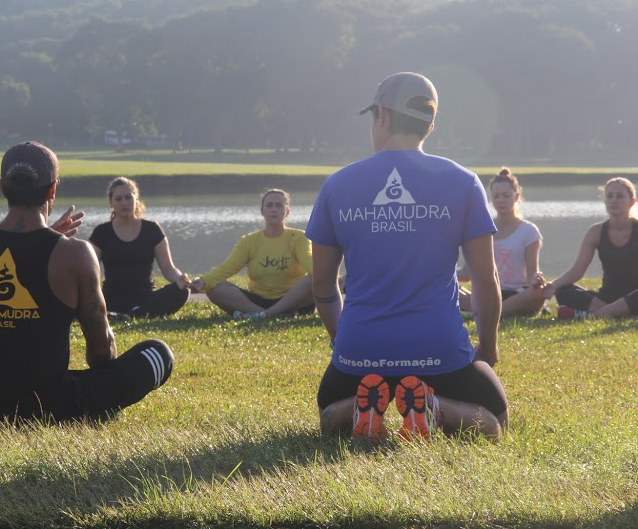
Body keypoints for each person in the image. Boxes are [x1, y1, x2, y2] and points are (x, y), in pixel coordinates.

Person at [306, 72, 508, 443]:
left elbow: (322, 283)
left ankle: (355, 409)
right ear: (429, 126)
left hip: (360, 354)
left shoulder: (337, 184)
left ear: (381, 115)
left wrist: (342, 339)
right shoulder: (463, 181)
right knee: (495, 422)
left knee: (326, 415)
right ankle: (436, 408)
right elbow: (485, 278)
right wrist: (489, 344)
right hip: (440, 352)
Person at [0, 141, 174, 425]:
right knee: (158, 353)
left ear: (2, 188)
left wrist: (43, 240)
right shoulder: (75, 254)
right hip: (53, 408)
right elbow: (101, 353)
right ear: (52, 190)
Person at [190, 188, 314, 320]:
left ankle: (263, 315)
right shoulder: (249, 241)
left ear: (287, 211)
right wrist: (204, 281)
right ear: (262, 211)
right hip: (256, 300)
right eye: (269, 205)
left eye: (279, 205)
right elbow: (228, 267)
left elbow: (309, 262)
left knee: (313, 281)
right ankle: (268, 314)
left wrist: (332, 279)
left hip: (292, 300)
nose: (274, 209)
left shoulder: (299, 237)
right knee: (214, 287)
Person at [89, 177, 190, 318]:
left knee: (182, 291)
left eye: (128, 197)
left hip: (146, 298)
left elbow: (168, 268)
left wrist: (180, 278)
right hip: (111, 298)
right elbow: (90, 271)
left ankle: (134, 314)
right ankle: (127, 314)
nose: (124, 203)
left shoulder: (152, 229)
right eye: (118, 199)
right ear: (111, 203)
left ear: (136, 199)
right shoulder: (101, 232)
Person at [542, 177, 638, 320]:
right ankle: (620, 313)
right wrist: (553, 286)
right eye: (609, 196)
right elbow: (577, 270)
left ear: (632, 202)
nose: (614, 200)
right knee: (564, 290)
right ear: (604, 200)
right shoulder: (596, 231)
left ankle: (592, 316)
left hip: (634, 295)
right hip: (606, 297)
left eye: (620, 196)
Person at [458, 167, 546, 317]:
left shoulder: (529, 231)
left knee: (538, 292)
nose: (501, 200)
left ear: (516, 197)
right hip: (489, 294)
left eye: (506, 196)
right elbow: (467, 273)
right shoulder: (483, 228)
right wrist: (441, 275)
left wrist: (536, 279)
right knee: (446, 286)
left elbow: (532, 273)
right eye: (496, 196)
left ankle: (485, 313)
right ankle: (489, 312)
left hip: (517, 295)